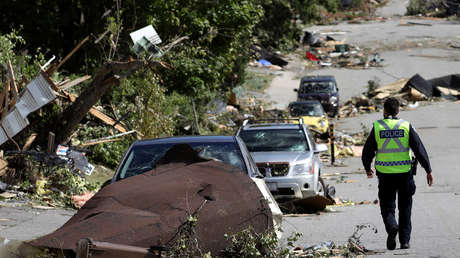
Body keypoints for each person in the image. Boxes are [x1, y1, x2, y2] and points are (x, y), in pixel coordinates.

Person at [362, 97, 433, 250]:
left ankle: (392, 226)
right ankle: (405, 241)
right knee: (405, 208)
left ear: (385, 110)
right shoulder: (406, 126)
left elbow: (367, 150)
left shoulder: (378, 127)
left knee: (387, 207)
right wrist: (428, 170)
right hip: (405, 173)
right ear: (398, 110)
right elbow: (419, 149)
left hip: (385, 174)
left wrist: (367, 167)